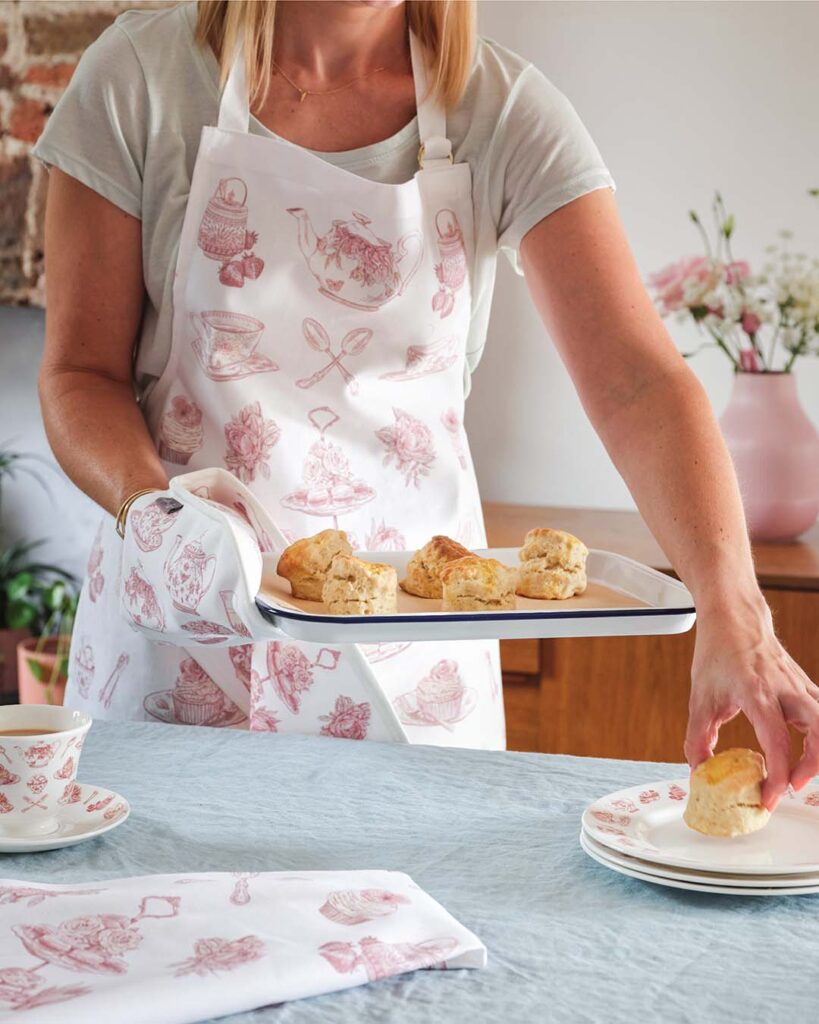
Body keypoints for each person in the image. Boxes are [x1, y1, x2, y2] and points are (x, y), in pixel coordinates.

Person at [36, 1, 818, 799]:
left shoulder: (503, 110)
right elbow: (79, 375)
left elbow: (638, 383)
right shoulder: (139, 79)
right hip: (183, 632)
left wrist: (734, 607)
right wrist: (155, 518)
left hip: (414, 657)